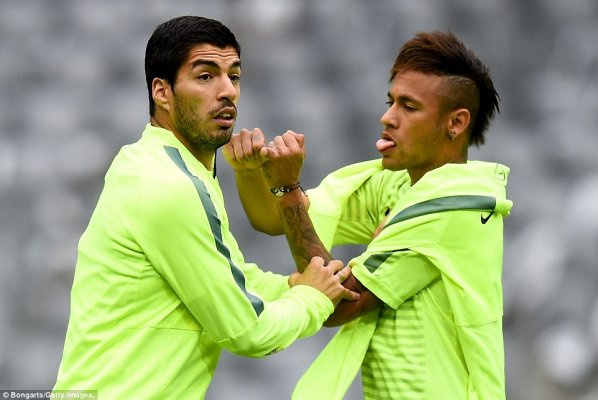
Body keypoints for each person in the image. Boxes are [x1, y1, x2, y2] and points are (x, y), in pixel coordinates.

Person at [53, 16, 358, 399]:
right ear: (162, 92)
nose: (228, 91)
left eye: (234, 76)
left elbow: (228, 273)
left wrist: (290, 286)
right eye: (205, 76)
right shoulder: (168, 186)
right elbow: (250, 333)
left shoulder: (156, 164)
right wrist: (312, 298)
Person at [225, 31, 513, 399]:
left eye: (409, 107)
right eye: (391, 101)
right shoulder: (399, 185)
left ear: (455, 123)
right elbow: (274, 222)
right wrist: (249, 172)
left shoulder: (452, 204)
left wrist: (288, 190)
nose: (387, 117)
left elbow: (335, 303)